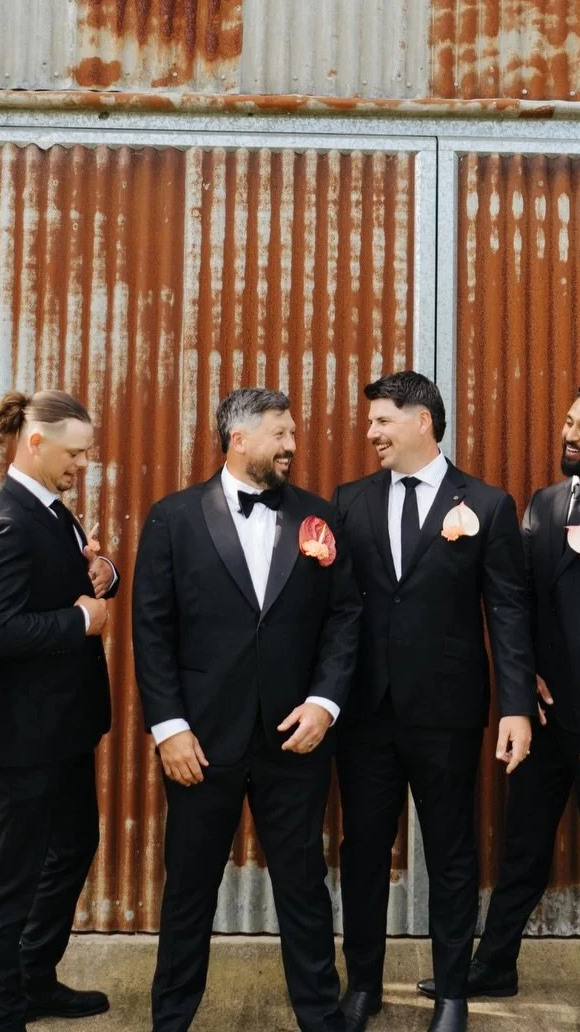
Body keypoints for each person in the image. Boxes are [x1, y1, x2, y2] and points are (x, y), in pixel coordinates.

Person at [425, 380, 580, 1032]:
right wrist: (525, 674)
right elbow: (520, 600)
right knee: (523, 845)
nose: (569, 435)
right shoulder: (543, 503)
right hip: (542, 715)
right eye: (569, 421)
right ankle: (495, 964)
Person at [132, 387, 362, 1032]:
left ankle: (321, 1016)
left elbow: (345, 616)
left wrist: (324, 703)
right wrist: (169, 728)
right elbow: (152, 629)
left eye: (292, 432)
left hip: (294, 736)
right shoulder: (173, 517)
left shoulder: (320, 517)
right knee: (189, 886)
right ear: (238, 439)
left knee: (304, 884)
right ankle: (171, 1019)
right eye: (280, 434)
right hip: (201, 741)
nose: (292, 444)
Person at [334, 371, 534, 1032]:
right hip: (365, 713)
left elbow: (507, 611)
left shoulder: (487, 505)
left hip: (447, 713)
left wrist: (515, 706)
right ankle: (363, 985)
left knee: (452, 854)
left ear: (422, 420)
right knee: (364, 851)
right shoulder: (349, 501)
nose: (371, 432)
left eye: (382, 420)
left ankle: (452, 993)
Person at [0, 391, 122, 1032]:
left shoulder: (54, 512)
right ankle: (1, 1012)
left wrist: (103, 573)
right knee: (14, 877)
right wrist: (81, 620)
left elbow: (69, 579)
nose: (83, 464)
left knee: (75, 846)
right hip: (24, 736)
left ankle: (34, 978)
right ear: (35, 442)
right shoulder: (5, 523)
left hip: (68, 727)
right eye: (74, 452)